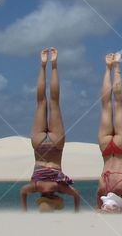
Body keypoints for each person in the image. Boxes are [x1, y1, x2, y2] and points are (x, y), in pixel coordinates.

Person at [20, 48, 81, 212]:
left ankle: (52, 65)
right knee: (42, 102)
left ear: (55, 200)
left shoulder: (59, 187)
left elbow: (76, 194)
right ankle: (43, 65)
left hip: (56, 145)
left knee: (53, 101)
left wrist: (76, 210)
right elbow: (22, 192)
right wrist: (24, 209)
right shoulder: (35, 187)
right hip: (39, 144)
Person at [96, 53, 122, 212]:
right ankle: (109, 68)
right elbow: (97, 208)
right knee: (107, 105)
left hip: (119, 152)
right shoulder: (101, 189)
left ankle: (114, 67)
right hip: (106, 150)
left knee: (118, 104)